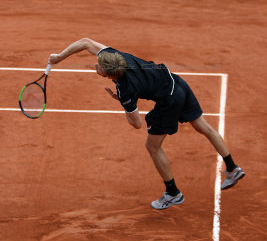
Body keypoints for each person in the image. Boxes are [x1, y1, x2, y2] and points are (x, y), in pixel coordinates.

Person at [48, 38, 245, 210]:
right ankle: (232, 167)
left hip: (169, 101)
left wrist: (124, 104)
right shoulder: (117, 57)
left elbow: (137, 124)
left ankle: (173, 193)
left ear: (108, 75)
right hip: (177, 83)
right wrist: (58, 57)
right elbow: (85, 42)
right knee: (204, 128)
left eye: (98, 66)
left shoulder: (125, 89)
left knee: (152, 146)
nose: (95, 66)